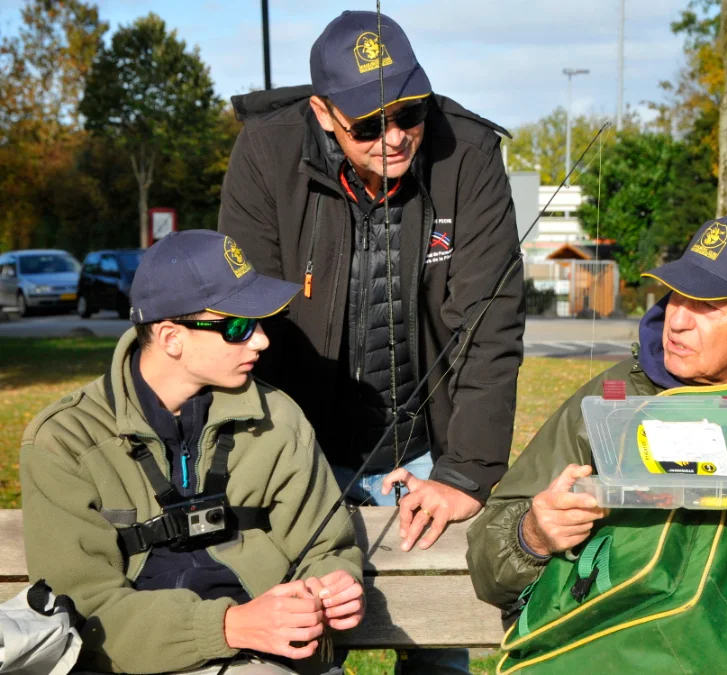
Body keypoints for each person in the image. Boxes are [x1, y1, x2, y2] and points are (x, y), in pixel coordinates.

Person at [218, 11, 524, 674]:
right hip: (295, 449)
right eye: (368, 123)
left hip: (421, 453)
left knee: (441, 641)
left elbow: (489, 320)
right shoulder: (267, 152)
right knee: (296, 643)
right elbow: (247, 321)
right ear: (324, 113)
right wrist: (279, 469)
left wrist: (465, 472)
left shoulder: (467, 152)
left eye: (410, 112)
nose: (395, 137)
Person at [467, 216, 727, 674]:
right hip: (612, 656)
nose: (675, 320)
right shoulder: (613, 398)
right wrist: (532, 534)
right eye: (676, 295)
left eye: (707, 305)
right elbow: (488, 560)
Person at [20, 230, 364, 675]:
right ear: (171, 337)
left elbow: (325, 547)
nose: (261, 340)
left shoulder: (278, 418)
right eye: (238, 326)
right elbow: (83, 611)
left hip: (267, 662)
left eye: (260, 323)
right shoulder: (65, 440)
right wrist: (227, 627)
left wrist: (335, 586)